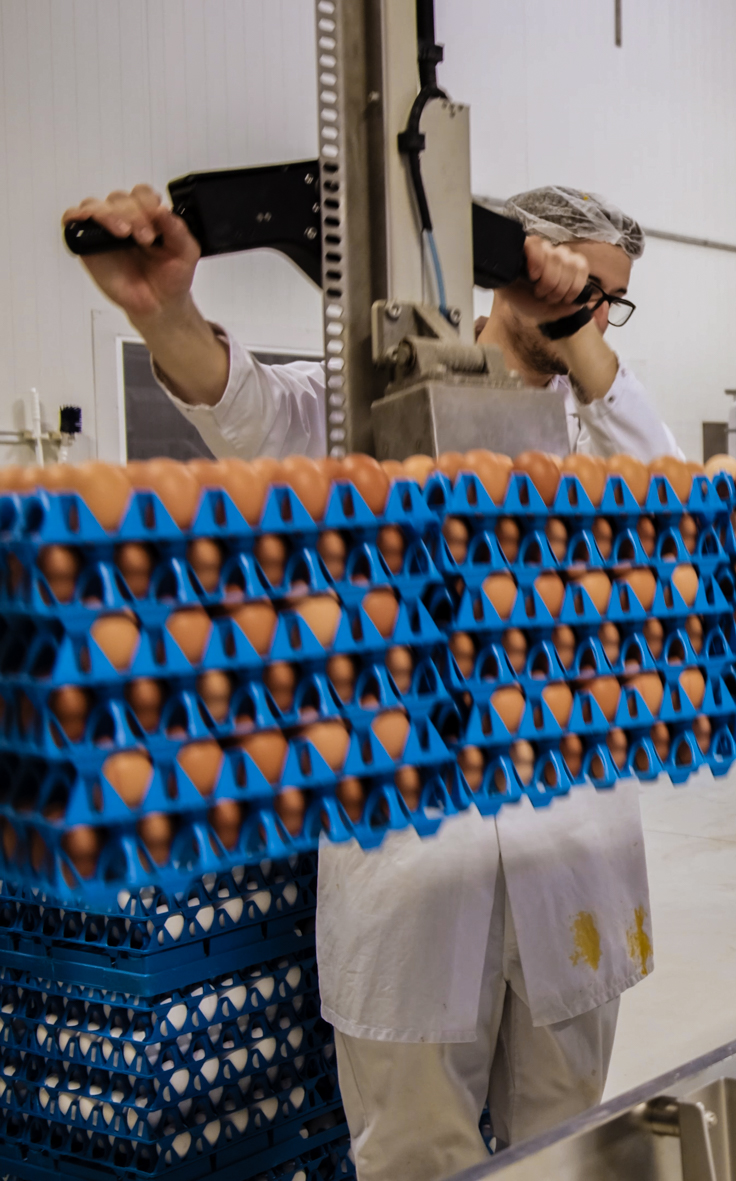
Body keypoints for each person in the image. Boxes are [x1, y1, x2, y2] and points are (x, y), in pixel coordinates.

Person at [64, 183, 678, 1178]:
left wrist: (580, 338)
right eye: (576, 288)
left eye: (611, 302)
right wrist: (163, 313)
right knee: (412, 1154)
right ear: (507, 269)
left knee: (567, 1149)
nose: (592, 315)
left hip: (571, 865)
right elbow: (244, 408)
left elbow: (672, 509)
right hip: (408, 881)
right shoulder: (365, 412)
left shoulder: (602, 428)